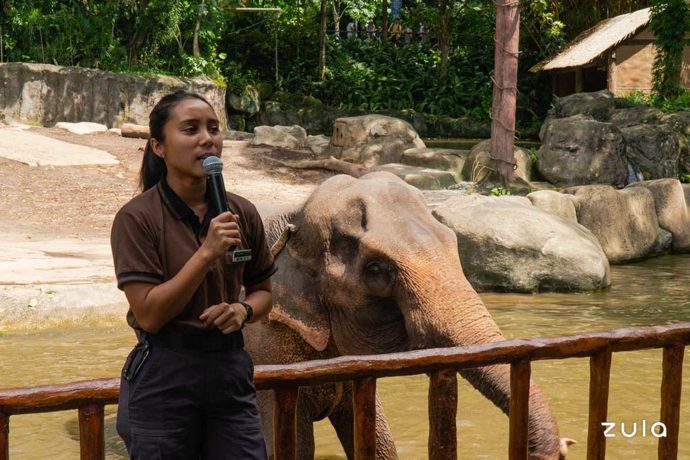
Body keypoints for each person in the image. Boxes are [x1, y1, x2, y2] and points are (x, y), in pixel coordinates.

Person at [111, 91, 276, 459]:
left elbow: (263, 290)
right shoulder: (137, 219)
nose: (208, 139)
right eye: (191, 129)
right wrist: (206, 254)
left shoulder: (242, 212)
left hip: (229, 373)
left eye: (214, 129)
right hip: (164, 374)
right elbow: (150, 314)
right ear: (158, 146)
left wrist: (243, 311)